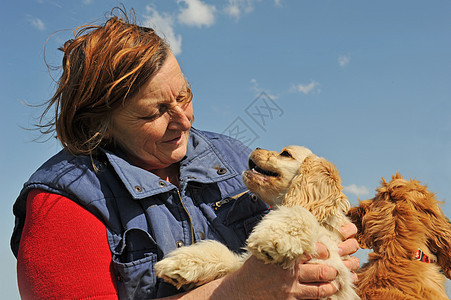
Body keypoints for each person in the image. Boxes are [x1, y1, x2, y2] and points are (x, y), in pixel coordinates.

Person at [11, 8, 360, 300]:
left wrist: (328, 249)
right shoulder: (61, 205)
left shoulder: (234, 158)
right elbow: (254, 282)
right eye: (153, 113)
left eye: (185, 95)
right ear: (99, 124)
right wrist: (235, 290)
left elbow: (297, 231)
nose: (183, 120)